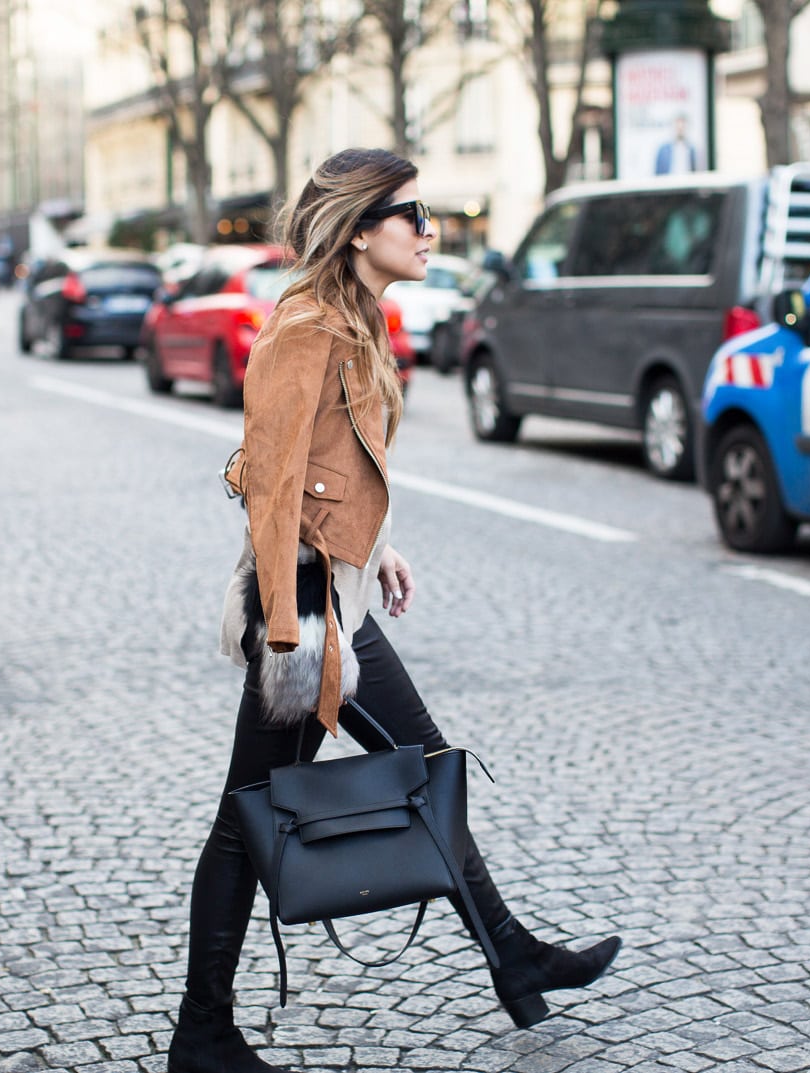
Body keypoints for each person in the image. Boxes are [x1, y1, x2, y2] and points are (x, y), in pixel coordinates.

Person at [168, 147, 622, 1073]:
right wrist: (295, 638)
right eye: (412, 215)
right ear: (361, 226)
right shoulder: (305, 327)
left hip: (333, 589)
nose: (430, 232)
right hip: (303, 605)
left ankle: (511, 954)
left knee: (419, 769)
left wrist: (378, 548)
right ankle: (203, 1033)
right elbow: (270, 485)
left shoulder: (355, 318)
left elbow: (333, 469)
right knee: (253, 814)